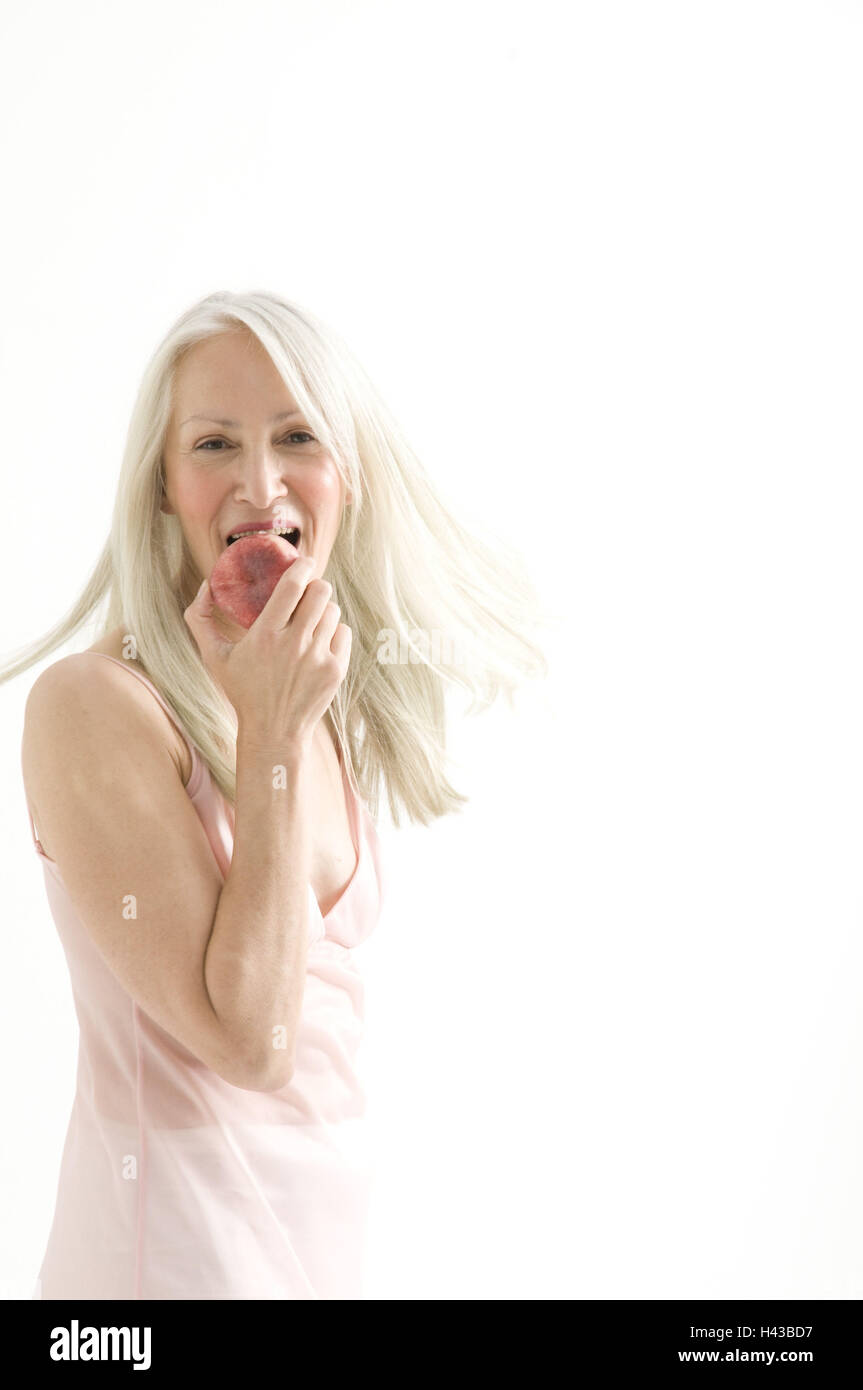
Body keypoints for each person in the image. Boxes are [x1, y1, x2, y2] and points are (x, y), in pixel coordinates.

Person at [1, 289, 547, 1300]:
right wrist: (272, 735)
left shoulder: (305, 702)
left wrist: (278, 721)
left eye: (297, 434)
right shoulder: (97, 706)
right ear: (162, 487)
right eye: (212, 444)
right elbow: (251, 1040)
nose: (259, 482)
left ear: (348, 474)